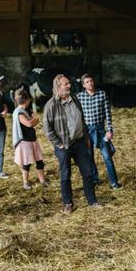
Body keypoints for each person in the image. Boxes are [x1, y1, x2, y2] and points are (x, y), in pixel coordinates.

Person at [42, 74, 99, 213]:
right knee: (65, 175)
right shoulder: (51, 105)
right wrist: (59, 144)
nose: (69, 85)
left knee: (87, 172)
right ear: (58, 87)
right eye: (66, 84)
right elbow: (47, 129)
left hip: (79, 142)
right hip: (64, 145)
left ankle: (92, 200)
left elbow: (82, 119)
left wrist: (86, 139)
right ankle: (68, 203)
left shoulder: (75, 99)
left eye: (69, 83)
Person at [77, 73, 122, 190]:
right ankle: (95, 179)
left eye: (91, 81)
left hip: (100, 130)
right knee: (89, 156)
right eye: (87, 82)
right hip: (87, 131)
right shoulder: (80, 97)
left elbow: (108, 114)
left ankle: (114, 182)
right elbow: (78, 115)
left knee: (107, 156)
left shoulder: (102, 94)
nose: (90, 83)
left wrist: (109, 130)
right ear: (83, 85)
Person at [12, 88, 48, 189]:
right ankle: (25, 182)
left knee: (39, 160)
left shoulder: (27, 110)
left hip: (33, 139)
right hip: (24, 141)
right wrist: (33, 121)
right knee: (26, 163)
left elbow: (36, 119)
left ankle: (42, 180)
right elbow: (29, 123)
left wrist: (34, 121)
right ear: (26, 100)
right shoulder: (18, 112)